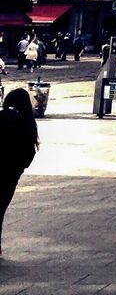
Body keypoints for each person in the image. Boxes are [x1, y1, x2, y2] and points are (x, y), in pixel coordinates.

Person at [0, 88, 40, 257]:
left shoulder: (1, 117)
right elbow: (29, 154)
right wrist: (18, 168)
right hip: (10, 175)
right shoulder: (28, 123)